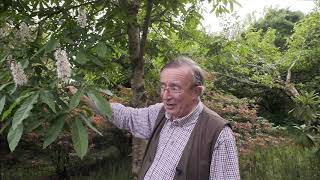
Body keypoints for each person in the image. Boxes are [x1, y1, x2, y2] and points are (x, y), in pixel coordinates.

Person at [70, 56, 240, 180]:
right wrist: (87, 100)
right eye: (163, 87)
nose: (165, 96)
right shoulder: (160, 113)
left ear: (196, 92)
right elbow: (127, 116)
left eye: (174, 88)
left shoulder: (218, 133)